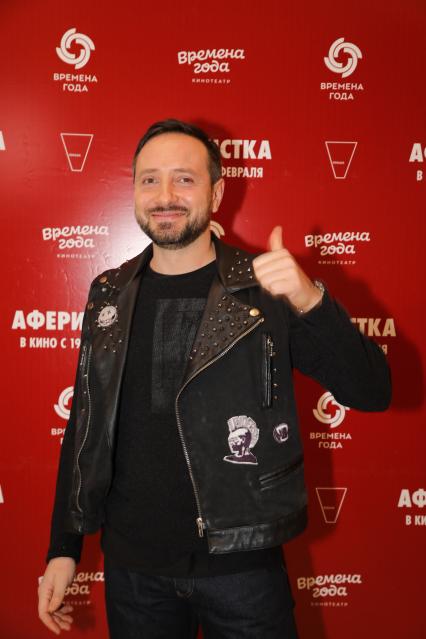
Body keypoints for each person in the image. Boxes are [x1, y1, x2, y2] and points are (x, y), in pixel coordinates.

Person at [38, 118, 391, 638]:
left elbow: (372, 390)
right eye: (150, 179)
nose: (165, 196)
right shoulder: (108, 293)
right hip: (135, 573)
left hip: (243, 568)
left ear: (217, 192)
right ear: (134, 191)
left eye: (184, 179)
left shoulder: (265, 291)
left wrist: (310, 301)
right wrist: (64, 547)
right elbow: (85, 424)